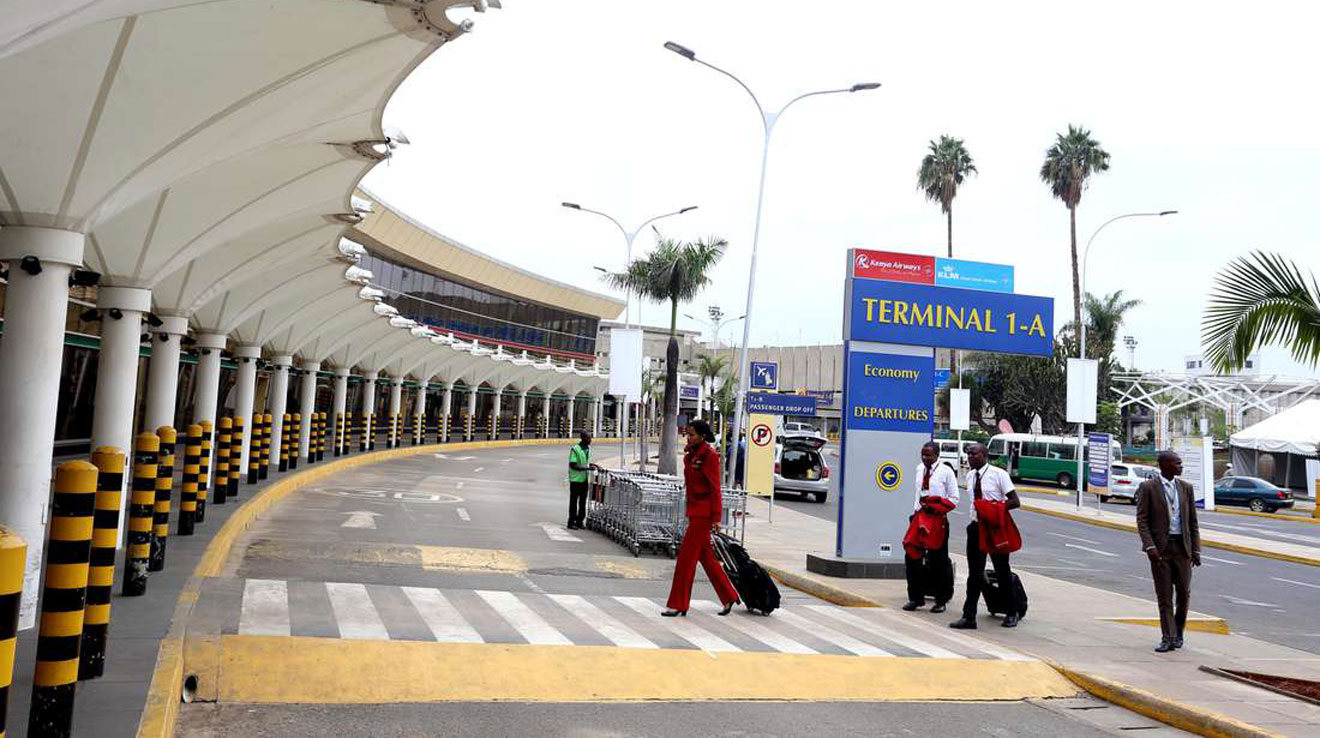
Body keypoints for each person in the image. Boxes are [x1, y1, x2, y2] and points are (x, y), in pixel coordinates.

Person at [663, 418, 740, 617]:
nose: (688, 438)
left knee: (685, 560)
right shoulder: (692, 455)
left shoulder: (709, 455)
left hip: (704, 515)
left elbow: (715, 488)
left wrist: (716, 517)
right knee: (707, 558)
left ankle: (679, 603)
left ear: (702, 436)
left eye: (692, 435)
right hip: (695, 511)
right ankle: (729, 595)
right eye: (687, 434)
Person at [950, 443, 1024, 629]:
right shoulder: (970, 476)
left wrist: (993, 508)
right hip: (976, 527)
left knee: (1002, 570)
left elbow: (1015, 501)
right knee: (974, 573)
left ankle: (1012, 611)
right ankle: (969, 616)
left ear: (984, 455)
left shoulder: (999, 475)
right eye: (967, 454)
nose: (969, 457)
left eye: (973, 454)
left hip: (994, 529)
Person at [1136, 450, 1202, 652]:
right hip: (1160, 551)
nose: (1181, 467)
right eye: (1177, 463)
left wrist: (1196, 551)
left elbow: (1192, 522)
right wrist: (1150, 547)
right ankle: (1168, 637)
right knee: (1164, 596)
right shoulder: (1148, 488)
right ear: (1165, 465)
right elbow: (1142, 520)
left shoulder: (1186, 488)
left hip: (1182, 549)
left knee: (1184, 595)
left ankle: (1179, 633)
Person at [903, 441, 959, 613]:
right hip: (919, 517)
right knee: (912, 556)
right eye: (923, 454)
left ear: (937, 455)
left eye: (928, 455)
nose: (925, 458)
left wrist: (936, 506)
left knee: (938, 560)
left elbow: (954, 499)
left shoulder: (946, 471)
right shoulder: (920, 469)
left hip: (937, 520)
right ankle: (915, 598)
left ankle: (940, 599)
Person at [566, 430, 596, 530]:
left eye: (590, 438)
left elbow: (585, 462)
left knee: (583, 502)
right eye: (588, 438)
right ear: (583, 438)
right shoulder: (575, 449)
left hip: (584, 480)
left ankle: (580, 521)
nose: (590, 440)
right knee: (574, 502)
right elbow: (573, 465)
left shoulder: (587, 449)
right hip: (575, 480)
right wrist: (587, 468)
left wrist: (592, 465)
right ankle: (571, 522)